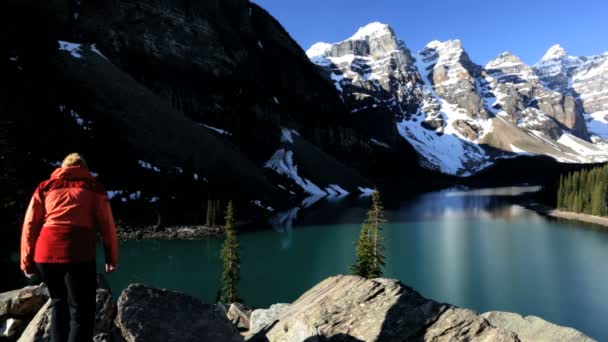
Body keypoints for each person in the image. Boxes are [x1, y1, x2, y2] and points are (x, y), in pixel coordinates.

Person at [20, 153, 118, 342]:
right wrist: (111, 257)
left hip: (45, 254)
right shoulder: (93, 188)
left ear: (63, 168)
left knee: (58, 303)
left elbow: (30, 225)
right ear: (84, 169)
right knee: (81, 309)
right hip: (78, 254)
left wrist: (26, 261)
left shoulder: (45, 187)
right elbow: (107, 225)